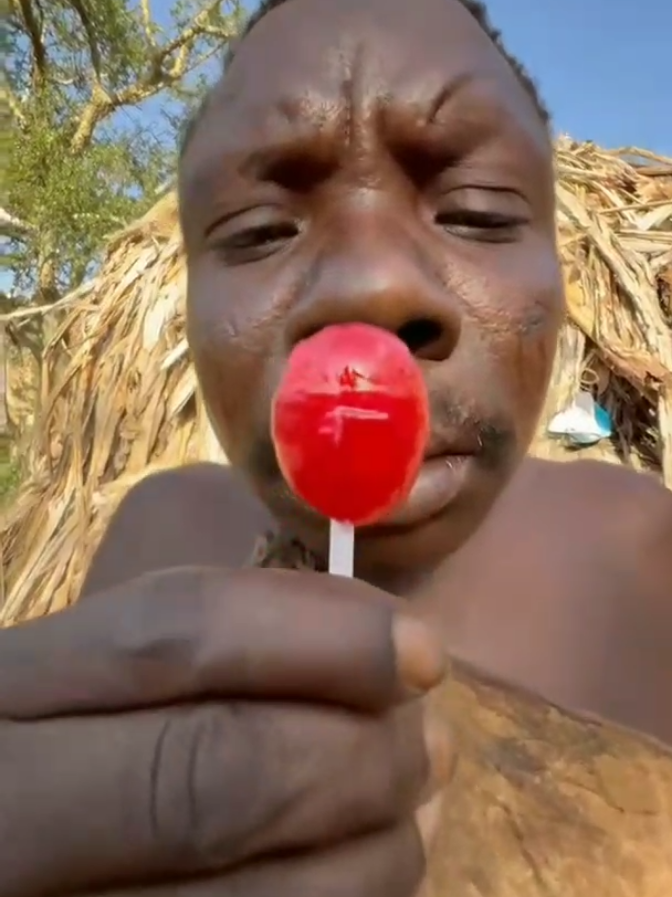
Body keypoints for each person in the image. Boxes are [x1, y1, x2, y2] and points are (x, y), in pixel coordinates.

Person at [1, 0, 671, 895]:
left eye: (475, 211)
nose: (371, 286)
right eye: (258, 232)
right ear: (189, 294)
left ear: (559, 270)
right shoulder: (157, 538)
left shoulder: (639, 553)